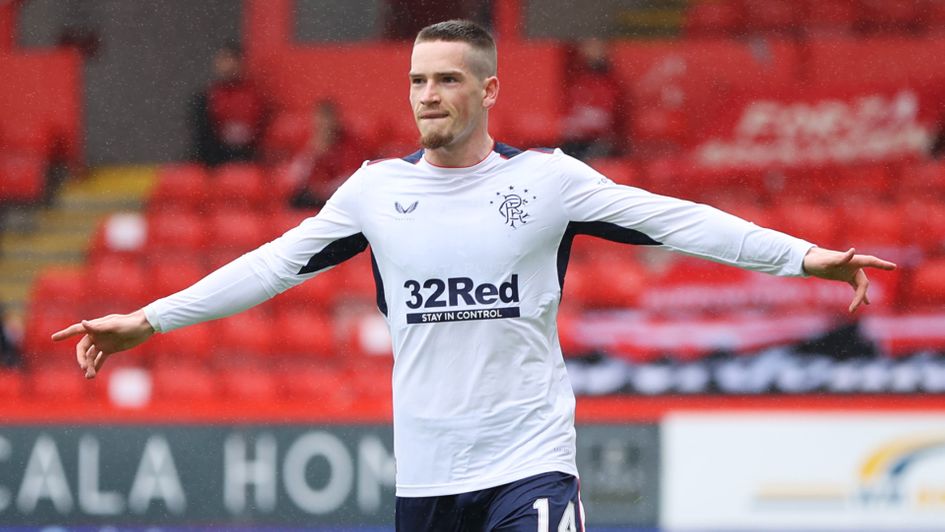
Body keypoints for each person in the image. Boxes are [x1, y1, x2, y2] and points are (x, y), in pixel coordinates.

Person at [53, 20, 896, 531]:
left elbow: (674, 219)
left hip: (529, 462)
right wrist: (151, 319)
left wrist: (803, 256)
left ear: (487, 88)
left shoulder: (546, 183)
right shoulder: (377, 192)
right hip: (426, 477)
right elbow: (274, 266)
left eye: (447, 79)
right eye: (418, 80)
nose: (428, 95)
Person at [190, 43, 267, 166]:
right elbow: (202, 135)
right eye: (224, 60)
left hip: (247, 158)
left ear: (241, 63)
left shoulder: (255, 97)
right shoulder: (206, 97)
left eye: (231, 60)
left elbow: (260, 131)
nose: (227, 66)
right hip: (214, 159)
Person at [285, 100, 364, 209]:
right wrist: (312, 153)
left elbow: (351, 177)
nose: (323, 125)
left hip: (336, 197)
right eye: (319, 120)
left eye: (326, 120)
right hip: (312, 197)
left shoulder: (349, 145)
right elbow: (295, 176)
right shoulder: (308, 143)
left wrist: (324, 190)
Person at [560, 38, 627, 161]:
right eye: (588, 46)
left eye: (597, 46)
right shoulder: (574, 75)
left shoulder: (613, 81)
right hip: (573, 140)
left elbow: (616, 119)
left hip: (600, 142)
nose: (591, 50)